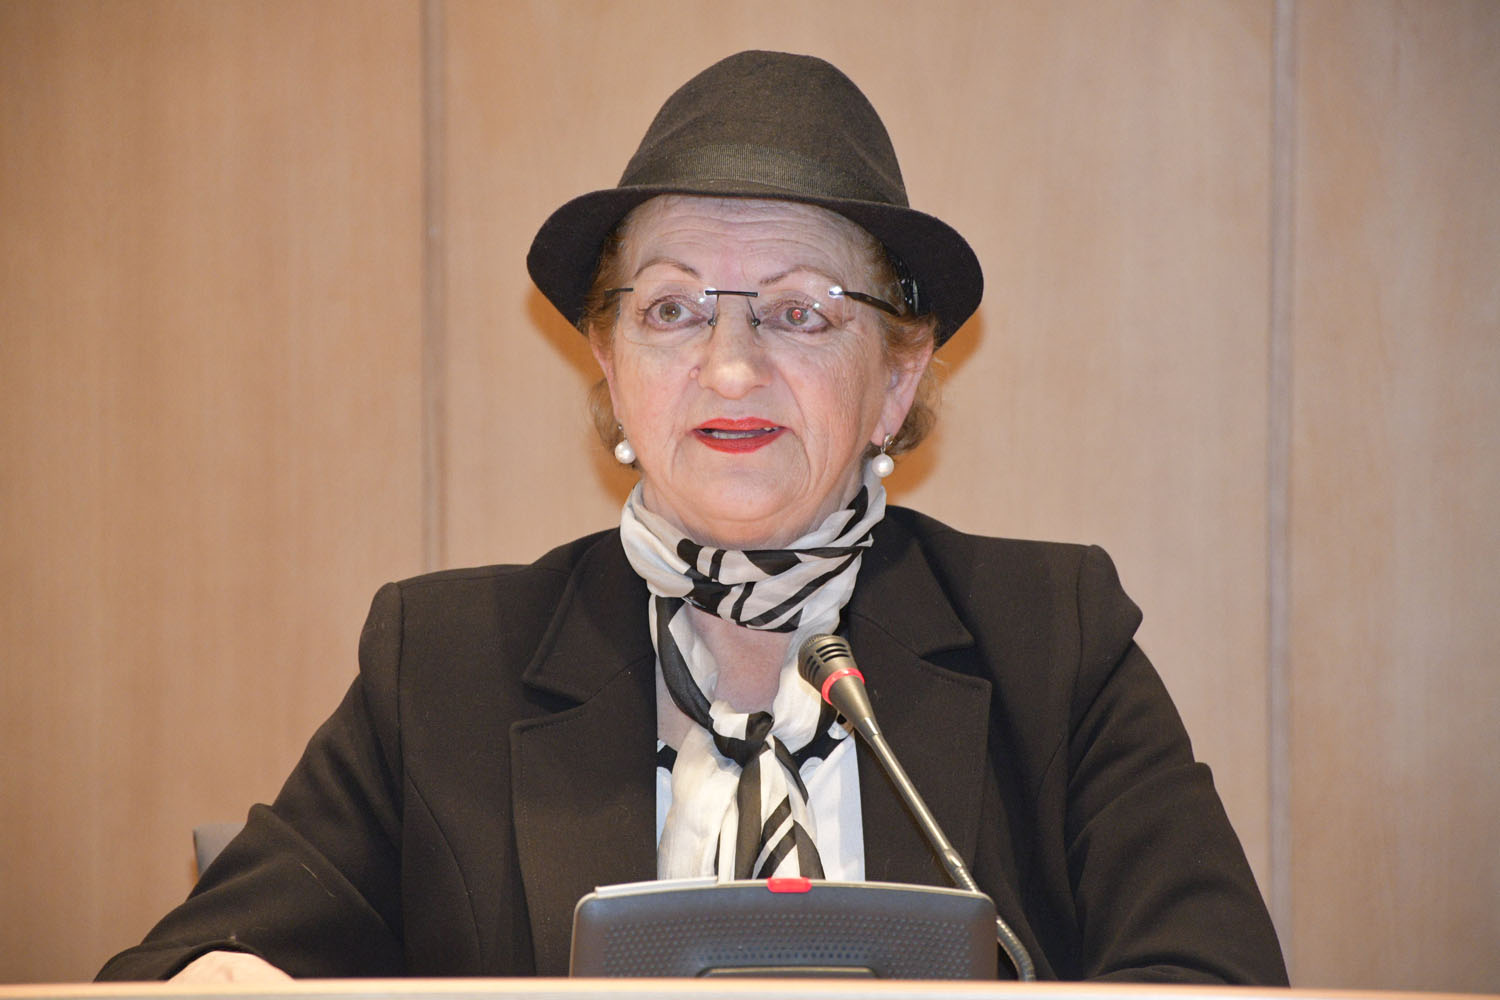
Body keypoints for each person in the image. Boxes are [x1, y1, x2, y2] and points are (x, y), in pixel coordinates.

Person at [97, 50, 1287, 984]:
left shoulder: (1052, 639)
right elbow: (172, 969)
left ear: (901, 378)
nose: (728, 369)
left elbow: (1213, 979)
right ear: (609, 368)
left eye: (801, 313)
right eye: (671, 310)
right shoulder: (448, 666)